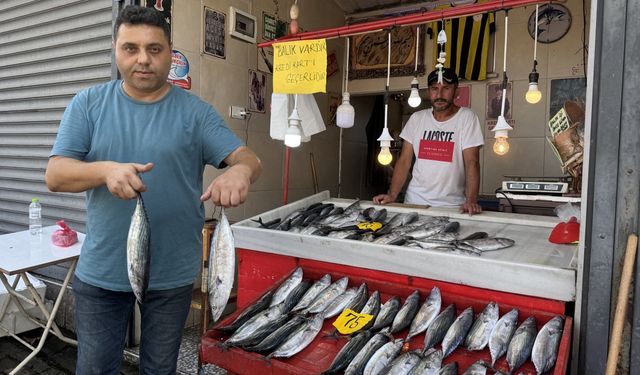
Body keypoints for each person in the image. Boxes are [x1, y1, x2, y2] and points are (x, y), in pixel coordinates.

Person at [44, 6, 262, 374]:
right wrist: (105, 171)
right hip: (102, 273)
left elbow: (248, 158)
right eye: (131, 48)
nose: (143, 59)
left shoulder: (196, 113)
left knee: (160, 368)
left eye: (154, 49)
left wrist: (240, 172)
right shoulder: (88, 104)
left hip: (172, 276)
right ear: (115, 48)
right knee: (95, 369)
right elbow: (55, 174)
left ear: (170, 51)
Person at [373, 68, 484, 215]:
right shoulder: (417, 119)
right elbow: (404, 161)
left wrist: (471, 201)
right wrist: (392, 194)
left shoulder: (467, 118)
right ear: (428, 92)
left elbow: (472, 162)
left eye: (446, 88)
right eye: (434, 89)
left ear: (456, 92)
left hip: (451, 206)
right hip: (414, 202)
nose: (439, 95)